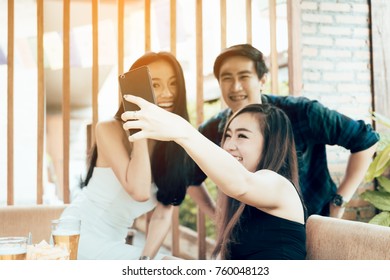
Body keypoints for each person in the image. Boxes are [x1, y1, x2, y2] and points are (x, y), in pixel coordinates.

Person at [188, 43, 379, 218]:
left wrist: (338, 202)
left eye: (244, 76)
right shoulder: (213, 129)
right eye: (227, 78)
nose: (236, 86)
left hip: (311, 223)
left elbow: (366, 139)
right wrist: (217, 215)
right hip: (251, 237)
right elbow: (189, 176)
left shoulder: (302, 112)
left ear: (262, 80)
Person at [122, 97, 307, 260]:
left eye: (242, 136)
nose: (228, 145)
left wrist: (181, 130)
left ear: (271, 144)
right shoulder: (244, 204)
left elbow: (239, 184)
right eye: (227, 135)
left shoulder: (280, 186)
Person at [59, 51, 194, 260]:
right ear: (134, 90)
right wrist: (137, 125)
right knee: (173, 265)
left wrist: (145, 260)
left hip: (115, 242)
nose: (167, 93)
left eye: (173, 84)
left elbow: (163, 213)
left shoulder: (175, 143)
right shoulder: (108, 129)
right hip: (78, 235)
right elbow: (139, 191)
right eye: (155, 85)